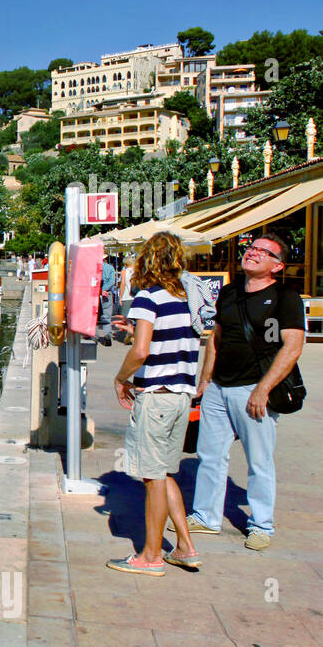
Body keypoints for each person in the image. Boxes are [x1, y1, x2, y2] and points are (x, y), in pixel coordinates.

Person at [180, 232, 305, 551]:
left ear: (277, 266)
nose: (253, 253)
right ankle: (206, 515)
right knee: (209, 455)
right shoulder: (230, 293)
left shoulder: (285, 298)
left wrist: (264, 389)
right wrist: (205, 381)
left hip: (254, 388)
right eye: (252, 248)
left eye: (264, 252)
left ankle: (262, 524)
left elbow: (292, 347)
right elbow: (215, 339)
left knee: (259, 460)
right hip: (219, 388)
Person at [106, 232, 202, 576]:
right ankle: (186, 548)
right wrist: (135, 331)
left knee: (152, 477)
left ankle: (150, 556)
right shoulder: (187, 296)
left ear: (147, 259)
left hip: (157, 396)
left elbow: (142, 352)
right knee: (164, 471)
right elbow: (167, 340)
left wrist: (120, 378)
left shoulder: (148, 297)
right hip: (181, 396)